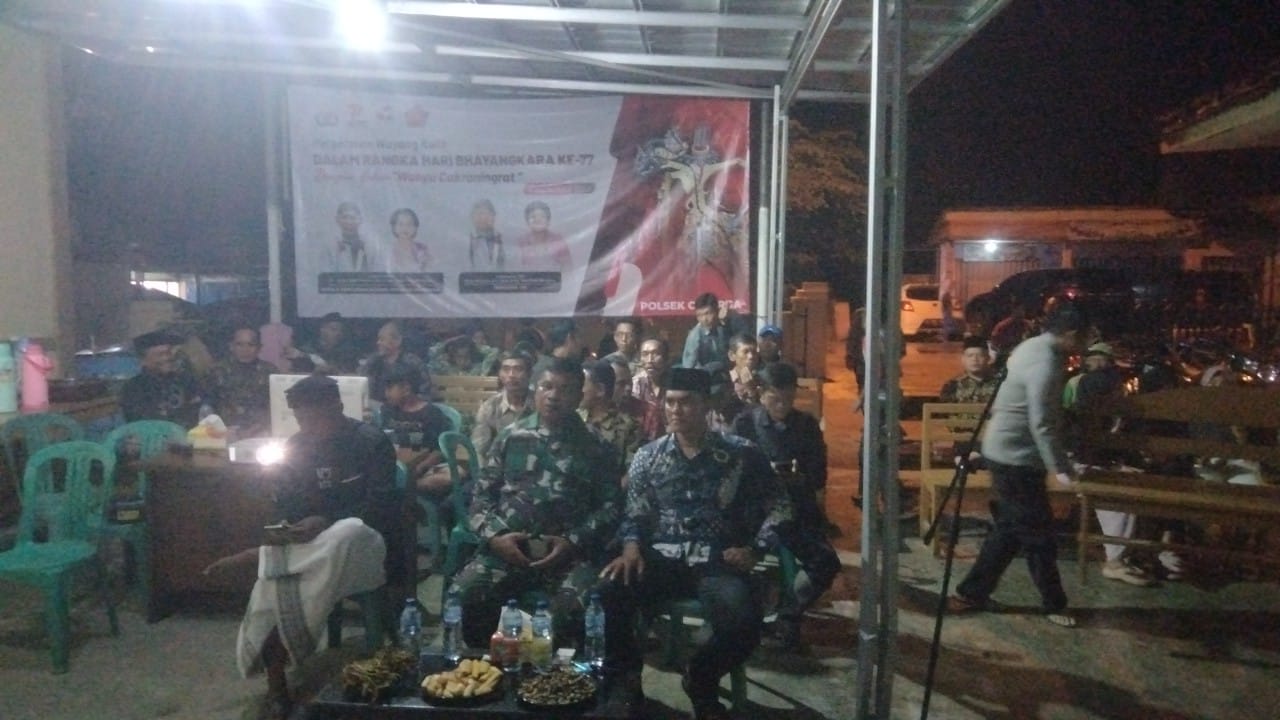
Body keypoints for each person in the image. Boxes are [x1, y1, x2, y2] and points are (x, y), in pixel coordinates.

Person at [203, 375, 400, 719]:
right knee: (280, 566)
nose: (307, 426)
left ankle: (260, 560)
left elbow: (380, 507)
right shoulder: (297, 446)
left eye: (314, 417)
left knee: (346, 531)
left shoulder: (371, 442)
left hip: (367, 543)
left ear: (337, 407)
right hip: (317, 547)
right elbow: (289, 503)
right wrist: (289, 526)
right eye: (300, 418)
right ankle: (276, 678)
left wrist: (324, 520)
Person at [601, 368, 793, 720]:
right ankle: (625, 684)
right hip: (662, 558)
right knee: (613, 589)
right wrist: (630, 547)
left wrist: (756, 549)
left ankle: (701, 677)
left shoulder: (741, 454)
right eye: (670, 402)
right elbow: (636, 512)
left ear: (706, 405)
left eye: (686, 402)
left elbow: (780, 505)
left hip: (718, 561)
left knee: (745, 621)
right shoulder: (649, 456)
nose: (675, 410)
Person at [450, 358, 624, 657]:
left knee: (579, 609)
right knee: (463, 596)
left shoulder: (596, 447)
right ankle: (488, 670)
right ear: (536, 390)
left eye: (565, 390)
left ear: (579, 396)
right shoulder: (511, 437)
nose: (554, 396)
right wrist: (496, 537)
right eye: (547, 386)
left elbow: (611, 508)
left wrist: (573, 541)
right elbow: (480, 496)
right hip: (507, 552)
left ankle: (557, 676)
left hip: (569, 557)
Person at [948, 300, 1091, 628]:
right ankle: (1054, 603)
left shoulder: (1032, 346)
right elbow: (1041, 421)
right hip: (1016, 458)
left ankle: (971, 593)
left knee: (1010, 531)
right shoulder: (1045, 361)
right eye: (1086, 335)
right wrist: (1061, 468)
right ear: (1071, 333)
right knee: (1040, 535)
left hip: (1008, 452)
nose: (1087, 342)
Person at [731, 362, 840, 650]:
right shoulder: (744, 424)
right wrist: (764, 473)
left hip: (796, 510)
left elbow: (818, 475)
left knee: (826, 562)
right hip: (755, 515)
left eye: (788, 399)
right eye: (774, 399)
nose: (781, 405)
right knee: (742, 560)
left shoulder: (806, 426)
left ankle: (788, 613)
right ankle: (757, 617)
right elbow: (732, 474)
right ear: (761, 394)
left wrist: (797, 476)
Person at [1062, 342, 1154, 587]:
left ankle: (1125, 556)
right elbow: (1082, 450)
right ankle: (1116, 561)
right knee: (1116, 495)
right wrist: (1115, 465)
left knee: (1124, 486)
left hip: (1085, 462)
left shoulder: (1107, 408)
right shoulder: (1084, 407)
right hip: (1072, 464)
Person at [377, 365, 450, 493]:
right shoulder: (387, 410)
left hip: (422, 468)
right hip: (391, 466)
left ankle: (403, 490)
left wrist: (420, 468)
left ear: (406, 389)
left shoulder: (431, 413)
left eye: (390, 389)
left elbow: (440, 450)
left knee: (443, 479)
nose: (386, 394)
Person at [120, 330, 204, 429]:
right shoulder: (133, 389)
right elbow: (144, 425)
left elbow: (203, 408)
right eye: (160, 354)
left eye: (168, 353)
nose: (167, 358)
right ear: (143, 360)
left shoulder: (185, 380)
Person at [207, 326, 275, 437]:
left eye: (251, 344)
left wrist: (258, 427)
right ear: (231, 346)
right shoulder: (217, 370)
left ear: (259, 347)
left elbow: (276, 405)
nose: (245, 349)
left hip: (260, 431)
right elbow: (208, 405)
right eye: (239, 344)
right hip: (225, 431)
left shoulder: (270, 371)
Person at [579, 360, 643, 475]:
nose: (578, 390)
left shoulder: (628, 427)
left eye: (582, 385)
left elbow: (631, 473)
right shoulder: (574, 419)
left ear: (600, 390)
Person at [471, 350, 535, 460]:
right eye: (506, 369)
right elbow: (480, 449)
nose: (511, 375)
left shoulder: (540, 404)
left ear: (529, 374)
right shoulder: (490, 407)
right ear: (500, 374)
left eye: (518, 369)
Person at [361, 321, 432, 404]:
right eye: (378, 339)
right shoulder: (373, 362)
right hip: (376, 407)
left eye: (382, 339)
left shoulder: (413, 363)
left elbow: (425, 394)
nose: (378, 343)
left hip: (405, 408)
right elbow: (361, 385)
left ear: (398, 340)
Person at [291, 312, 361, 375]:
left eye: (341, 331)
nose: (338, 333)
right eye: (334, 329)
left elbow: (351, 373)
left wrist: (334, 370)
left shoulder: (348, 352)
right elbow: (299, 374)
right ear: (322, 330)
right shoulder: (306, 351)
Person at [938, 335, 1000, 404]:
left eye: (980, 355)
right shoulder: (952, 386)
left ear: (988, 358)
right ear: (963, 359)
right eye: (970, 356)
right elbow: (945, 409)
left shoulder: (1000, 384)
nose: (974, 359)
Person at [632, 337, 672, 441]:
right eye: (645, 354)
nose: (650, 360)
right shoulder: (636, 383)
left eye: (656, 354)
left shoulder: (674, 383)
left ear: (665, 358)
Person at [681, 292, 730, 375]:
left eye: (708, 313)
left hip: (724, 374)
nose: (704, 319)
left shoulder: (724, 327)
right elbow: (688, 367)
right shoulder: (695, 336)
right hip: (703, 376)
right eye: (699, 315)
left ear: (717, 311)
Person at [515, 201, 571, 270]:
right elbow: (516, 268)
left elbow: (568, 268)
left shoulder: (558, 240)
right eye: (533, 217)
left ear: (548, 221)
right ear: (527, 221)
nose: (537, 220)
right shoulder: (521, 242)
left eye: (542, 216)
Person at [326, 201, 379, 272]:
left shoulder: (371, 246)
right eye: (344, 217)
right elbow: (326, 273)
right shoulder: (330, 247)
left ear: (360, 220)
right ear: (337, 219)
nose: (349, 222)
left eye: (353, 218)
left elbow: (377, 271)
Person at [531, 319, 581, 383]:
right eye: (578, 337)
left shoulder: (539, 364)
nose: (580, 343)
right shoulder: (568, 369)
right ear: (569, 337)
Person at [428, 333, 500, 377]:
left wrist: (474, 345)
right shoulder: (446, 369)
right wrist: (450, 341)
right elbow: (432, 353)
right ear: (453, 356)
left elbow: (494, 351)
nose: (463, 361)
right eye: (459, 357)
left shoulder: (479, 369)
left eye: (466, 357)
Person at [386, 208, 430, 272]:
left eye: (409, 224)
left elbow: (426, 271)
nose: (405, 228)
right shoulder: (389, 250)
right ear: (394, 227)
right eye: (400, 224)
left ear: (415, 227)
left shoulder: (422, 249)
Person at [467, 199, 504, 270]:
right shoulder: (465, 241)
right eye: (479, 214)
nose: (483, 218)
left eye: (487, 214)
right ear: (472, 217)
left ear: (494, 217)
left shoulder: (503, 240)